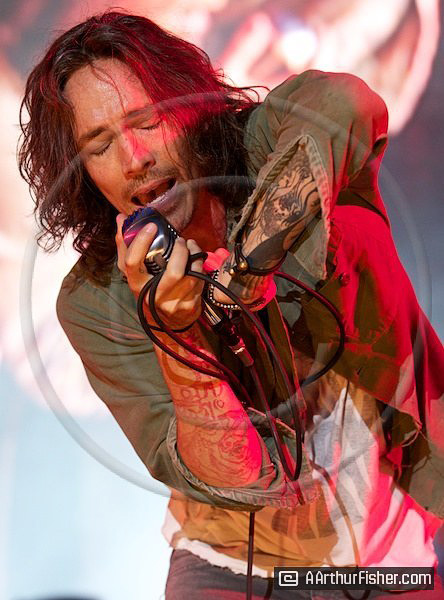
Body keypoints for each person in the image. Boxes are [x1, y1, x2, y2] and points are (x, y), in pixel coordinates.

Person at [18, 10, 444, 600]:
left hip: (389, 561)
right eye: (100, 145)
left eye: (147, 121)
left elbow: (347, 102)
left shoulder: (266, 144)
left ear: (186, 105)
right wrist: (175, 333)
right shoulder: (95, 300)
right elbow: (237, 479)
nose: (134, 157)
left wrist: (244, 272)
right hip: (227, 570)